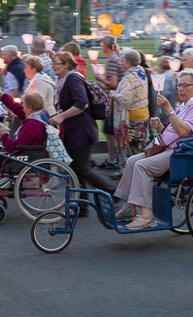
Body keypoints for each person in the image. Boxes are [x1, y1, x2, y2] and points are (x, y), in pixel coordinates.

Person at [114, 68, 193, 229]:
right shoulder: (187, 104)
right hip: (173, 149)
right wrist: (161, 127)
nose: (180, 89)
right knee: (132, 161)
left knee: (142, 166)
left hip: (185, 154)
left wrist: (168, 109)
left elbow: (184, 131)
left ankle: (147, 215)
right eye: (179, 85)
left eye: (185, 85)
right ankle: (129, 207)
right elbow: (177, 130)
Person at [49, 51, 115, 206]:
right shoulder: (65, 80)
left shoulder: (73, 79)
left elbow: (81, 104)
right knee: (75, 169)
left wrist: (61, 116)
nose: (53, 67)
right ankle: (82, 204)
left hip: (82, 132)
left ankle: (114, 193)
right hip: (75, 131)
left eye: (56, 63)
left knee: (81, 169)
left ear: (66, 65)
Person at [110, 49, 150, 165]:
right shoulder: (141, 72)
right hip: (143, 116)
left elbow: (126, 100)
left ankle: (129, 172)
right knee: (140, 147)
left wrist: (114, 95)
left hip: (131, 119)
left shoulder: (129, 78)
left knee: (129, 148)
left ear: (127, 63)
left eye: (121, 61)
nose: (120, 63)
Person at [93, 35, 123, 170]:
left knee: (110, 131)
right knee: (109, 131)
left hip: (112, 101)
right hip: (114, 101)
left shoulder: (112, 60)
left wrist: (100, 78)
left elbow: (113, 84)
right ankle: (113, 157)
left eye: (101, 44)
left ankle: (112, 159)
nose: (101, 47)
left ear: (106, 45)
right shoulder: (115, 59)